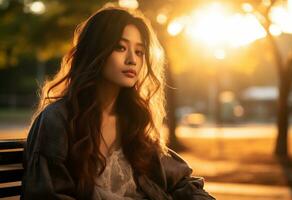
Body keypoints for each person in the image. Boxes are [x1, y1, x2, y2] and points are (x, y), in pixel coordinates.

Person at [21, 3, 215, 200]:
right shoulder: (57, 119)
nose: (132, 59)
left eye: (139, 52)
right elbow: (47, 194)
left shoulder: (133, 121)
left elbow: (182, 181)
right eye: (120, 47)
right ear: (96, 50)